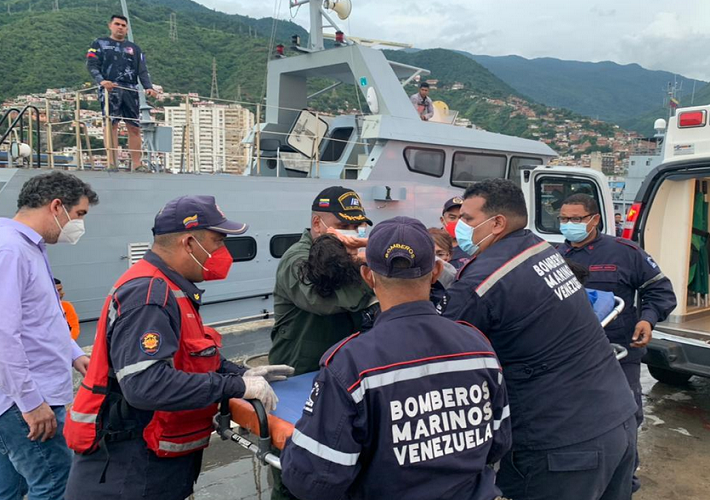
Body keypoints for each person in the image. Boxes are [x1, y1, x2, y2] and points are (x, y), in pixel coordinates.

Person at [64, 195, 293, 500]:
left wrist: (245, 373)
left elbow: (193, 355)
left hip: (154, 463)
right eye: (217, 241)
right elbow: (144, 385)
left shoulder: (170, 287)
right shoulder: (148, 295)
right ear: (188, 243)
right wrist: (236, 386)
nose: (222, 252)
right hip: (130, 469)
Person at [281, 216, 511, 500]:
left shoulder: (350, 364)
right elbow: (498, 442)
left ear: (367, 276)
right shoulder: (479, 347)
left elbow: (314, 480)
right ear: (437, 271)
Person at [439, 179, 638, 500]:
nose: (459, 227)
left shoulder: (480, 282)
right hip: (616, 420)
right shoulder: (540, 249)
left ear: (498, 222)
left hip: (563, 447)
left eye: (468, 219)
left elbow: (440, 360)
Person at [557, 194, 677, 492]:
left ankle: (625, 479)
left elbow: (660, 290)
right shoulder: (551, 257)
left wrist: (647, 319)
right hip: (569, 355)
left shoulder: (625, 252)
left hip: (620, 352)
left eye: (576, 219)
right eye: (563, 219)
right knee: (575, 416)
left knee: (625, 415)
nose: (569, 225)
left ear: (594, 219)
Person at [0, 171, 96, 500]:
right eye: (79, 214)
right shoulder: (10, 250)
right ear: (57, 206)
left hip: (19, 397)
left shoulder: (26, 247)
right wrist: (30, 403)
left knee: (10, 488)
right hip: (26, 400)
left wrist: (74, 354)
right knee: (56, 485)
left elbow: (40, 317)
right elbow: (3, 333)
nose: (79, 225)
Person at [268, 186, 374, 376]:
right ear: (317, 224)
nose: (352, 234)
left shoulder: (357, 255)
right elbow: (320, 301)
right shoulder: (297, 260)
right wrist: (369, 280)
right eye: (343, 227)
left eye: (358, 227)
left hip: (342, 364)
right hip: (302, 369)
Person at [87, 14, 158, 169]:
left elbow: (142, 71)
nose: (120, 27)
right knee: (111, 124)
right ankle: (112, 162)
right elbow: (92, 64)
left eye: (123, 25)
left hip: (130, 89)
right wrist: (101, 81)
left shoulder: (135, 48)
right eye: (117, 24)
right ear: (110, 25)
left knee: (134, 126)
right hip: (109, 89)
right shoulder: (99, 43)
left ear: (127, 29)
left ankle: (137, 164)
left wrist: (148, 87)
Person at [428, 227, 457, 305]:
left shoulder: (457, 284)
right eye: (429, 255)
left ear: (449, 255)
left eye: (440, 254)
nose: (435, 260)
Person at [440, 196, 472, 270]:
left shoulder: (475, 246)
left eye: (462, 218)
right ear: (442, 220)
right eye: (452, 217)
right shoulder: (431, 243)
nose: (457, 222)